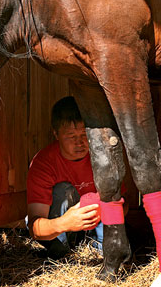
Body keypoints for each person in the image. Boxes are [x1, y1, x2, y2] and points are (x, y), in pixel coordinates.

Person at [25, 96, 126, 258]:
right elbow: (35, 228)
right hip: (58, 229)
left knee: (107, 200)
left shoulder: (102, 159)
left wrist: (106, 211)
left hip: (92, 230)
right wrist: (66, 222)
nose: (79, 142)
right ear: (56, 134)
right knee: (63, 190)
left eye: (85, 134)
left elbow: (122, 204)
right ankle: (60, 253)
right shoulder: (43, 163)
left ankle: (99, 251)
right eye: (71, 136)